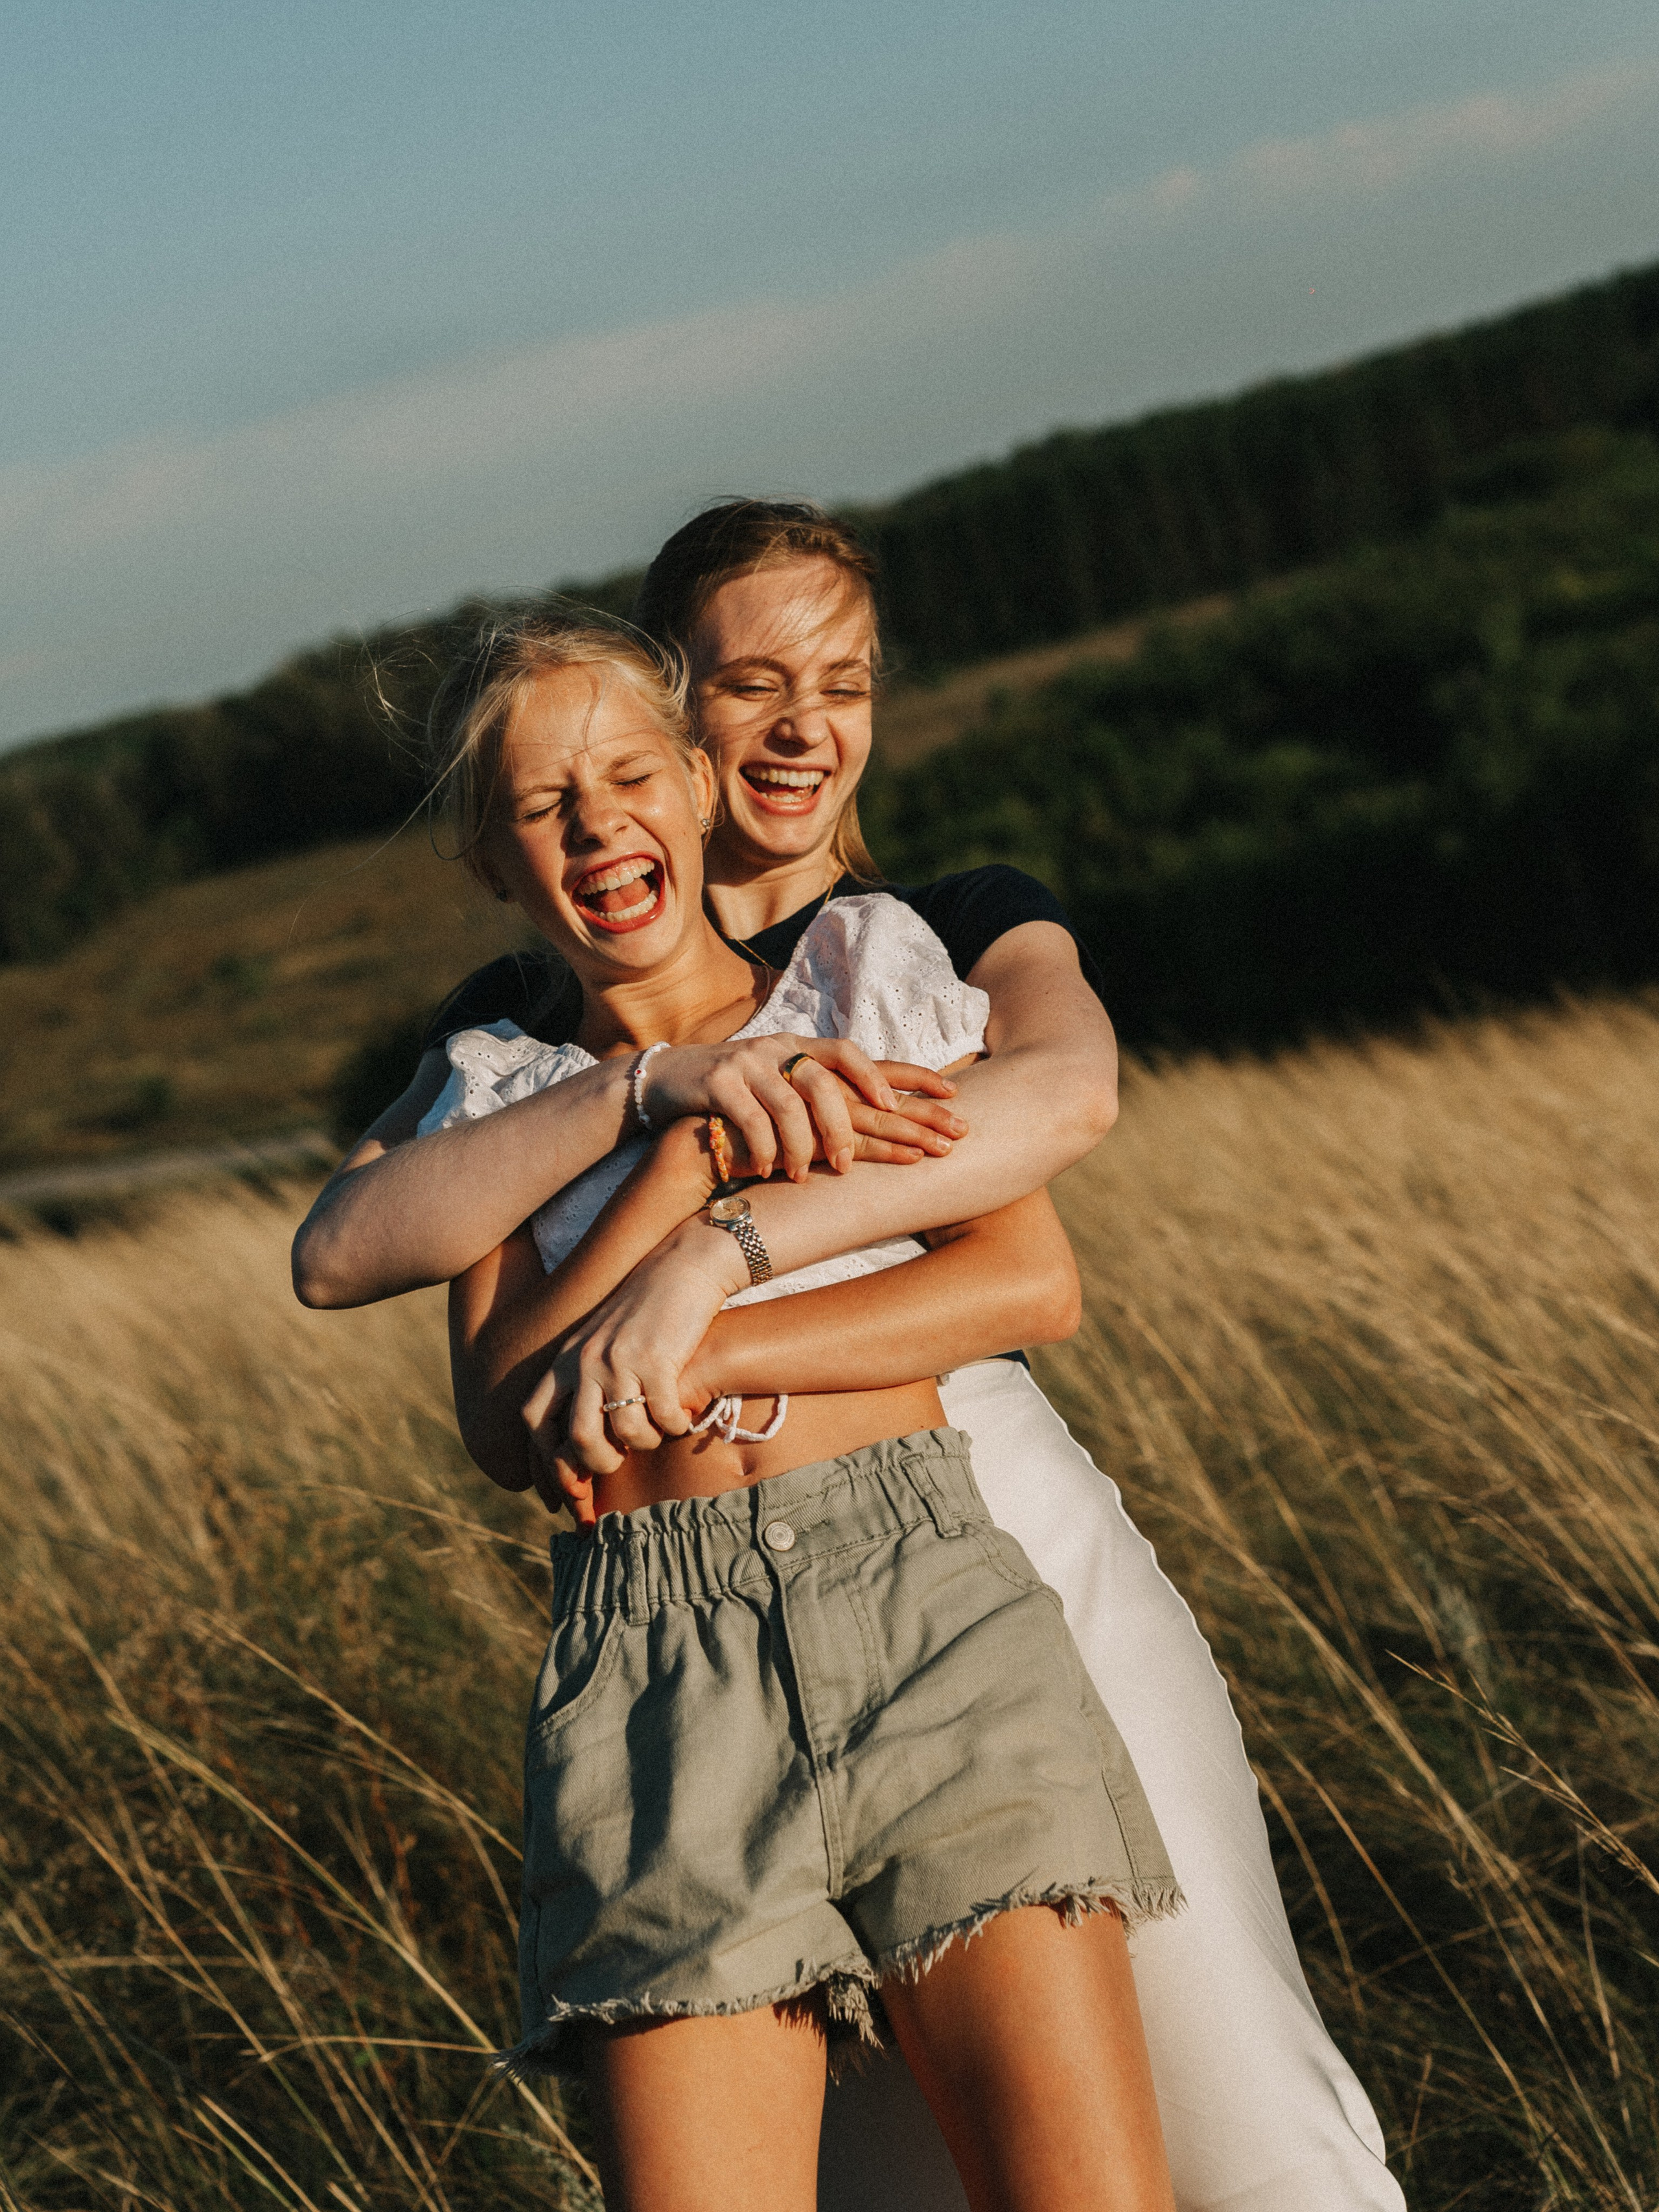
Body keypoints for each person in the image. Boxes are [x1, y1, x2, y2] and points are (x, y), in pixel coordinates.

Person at [292, 504, 1406, 2211]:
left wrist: (711, 1277)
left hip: (976, 1543)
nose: (808, 727)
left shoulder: (918, 931)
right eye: (755, 682)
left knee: (1248, 2124)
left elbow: (1050, 1168)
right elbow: (380, 1270)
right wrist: (668, 1112)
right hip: (671, 1622)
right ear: (679, 712)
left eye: (847, 681)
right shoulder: (520, 1041)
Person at [404, 608, 1182, 2212]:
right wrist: (682, 1143)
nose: (596, 823)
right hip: (649, 1662)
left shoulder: (850, 982)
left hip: (917, 1598)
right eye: (542, 804)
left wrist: (704, 1311)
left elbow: (1022, 1273)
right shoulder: (491, 1089)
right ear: (492, 857)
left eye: (627, 775)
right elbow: (512, 1422)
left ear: (696, 790)